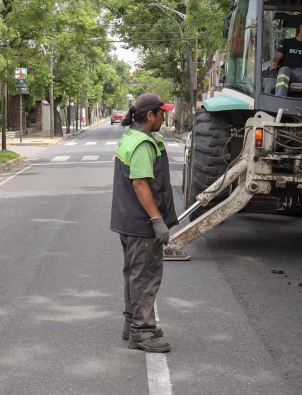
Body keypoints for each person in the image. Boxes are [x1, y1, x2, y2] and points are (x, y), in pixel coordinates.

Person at [110, 93, 177, 353]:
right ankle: (142, 332)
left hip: (127, 221)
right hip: (141, 225)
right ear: (150, 116)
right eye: (162, 113)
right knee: (146, 278)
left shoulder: (130, 137)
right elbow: (140, 183)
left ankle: (133, 323)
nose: (164, 117)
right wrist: (157, 220)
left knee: (133, 275)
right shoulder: (142, 144)